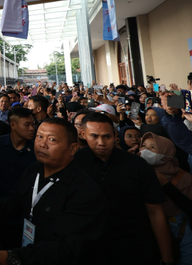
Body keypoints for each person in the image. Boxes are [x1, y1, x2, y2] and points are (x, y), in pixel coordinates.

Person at [0, 118, 106, 264]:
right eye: (39, 136)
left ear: (73, 148)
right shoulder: (34, 170)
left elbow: (65, 248)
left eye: (52, 139)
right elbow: (14, 202)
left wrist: (9, 257)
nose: (42, 144)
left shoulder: (85, 191)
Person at [74, 112, 174, 265]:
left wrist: (167, 259)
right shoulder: (73, 164)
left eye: (106, 136)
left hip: (136, 248)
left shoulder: (137, 165)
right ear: (83, 134)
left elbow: (155, 212)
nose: (101, 142)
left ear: (115, 135)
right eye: (94, 136)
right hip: (90, 250)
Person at [0, 107, 37, 250]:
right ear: (13, 125)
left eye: (33, 124)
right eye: (27, 125)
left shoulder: (36, 150)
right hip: (3, 206)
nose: (32, 128)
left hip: (27, 212)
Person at [140, 132, 192, 264]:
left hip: (181, 233)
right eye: (143, 146)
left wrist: (167, 185)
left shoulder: (184, 178)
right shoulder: (138, 174)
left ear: (167, 152)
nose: (145, 150)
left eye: (153, 147)